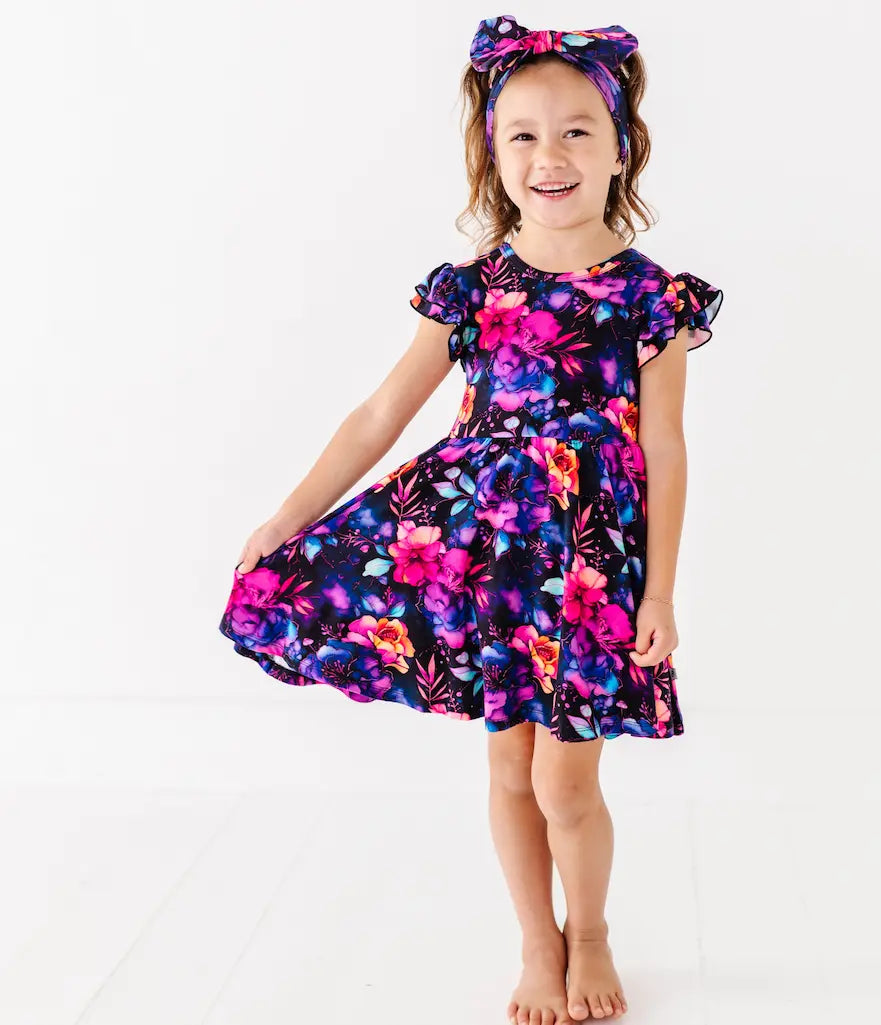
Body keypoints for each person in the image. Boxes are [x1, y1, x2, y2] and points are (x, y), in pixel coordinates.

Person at [218, 15, 723, 1025]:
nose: (551, 155)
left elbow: (661, 449)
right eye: (525, 134)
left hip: (588, 569)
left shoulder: (651, 299)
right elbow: (379, 414)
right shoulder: (472, 288)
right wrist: (287, 515)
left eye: (578, 131)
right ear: (493, 151)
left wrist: (660, 587)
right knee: (506, 763)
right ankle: (534, 939)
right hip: (481, 554)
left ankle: (590, 929)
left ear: (620, 145)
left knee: (564, 780)